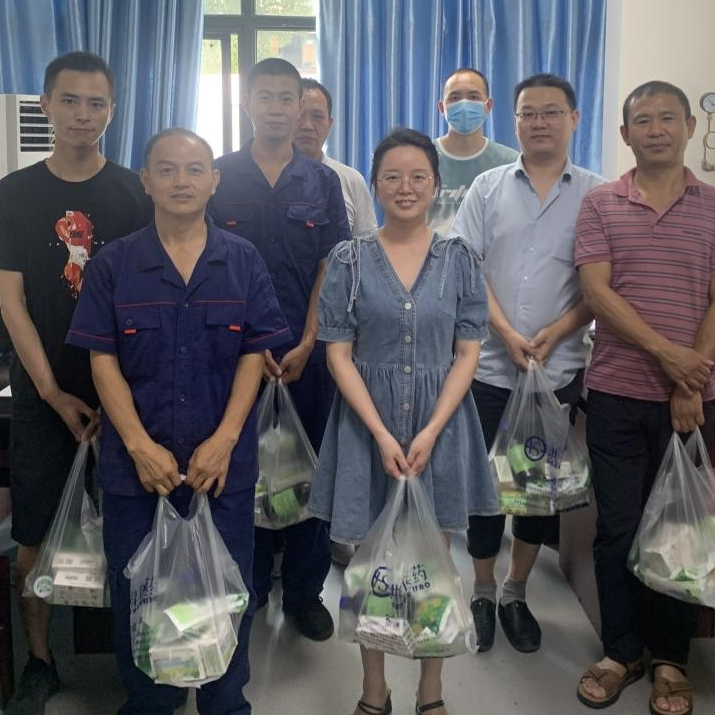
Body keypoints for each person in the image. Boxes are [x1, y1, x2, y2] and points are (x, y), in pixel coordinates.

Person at [67, 128, 291, 715]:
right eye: (166, 169)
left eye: (195, 170)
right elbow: (101, 361)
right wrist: (139, 446)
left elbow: (254, 355)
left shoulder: (241, 260)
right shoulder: (114, 264)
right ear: (146, 181)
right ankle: (149, 701)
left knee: (227, 591)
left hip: (223, 468)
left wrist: (225, 440)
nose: (181, 181)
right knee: (139, 594)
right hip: (136, 471)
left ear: (214, 181)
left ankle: (224, 702)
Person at [0, 51, 152, 715]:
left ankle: (139, 658)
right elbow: (11, 304)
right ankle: (41, 662)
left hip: (126, 396)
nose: (83, 115)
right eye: (70, 101)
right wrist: (51, 393)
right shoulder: (15, 194)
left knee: (134, 528)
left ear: (112, 111)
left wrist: (118, 399)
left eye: (96, 103)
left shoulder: (134, 192)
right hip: (42, 395)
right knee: (35, 532)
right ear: (46, 105)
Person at [309, 127, 499, 715]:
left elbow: (467, 352)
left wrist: (431, 429)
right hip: (366, 429)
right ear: (375, 184)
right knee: (372, 566)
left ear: (436, 185)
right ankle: (374, 689)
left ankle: (430, 691)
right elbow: (338, 352)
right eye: (392, 176)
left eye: (418, 176)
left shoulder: (459, 259)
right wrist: (380, 432)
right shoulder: (350, 259)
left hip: (441, 429)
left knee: (432, 565)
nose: (405, 187)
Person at [573, 81, 715, 715]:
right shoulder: (600, 204)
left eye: (667, 118)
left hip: (690, 400)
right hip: (616, 391)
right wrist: (668, 357)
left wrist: (685, 381)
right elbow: (598, 293)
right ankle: (620, 651)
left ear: (689, 128)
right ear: (625, 135)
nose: (655, 130)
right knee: (617, 527)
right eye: (642, 121)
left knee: (681, 528)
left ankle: (672, 658)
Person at [450, 73, 606, 654]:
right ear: (513, 120)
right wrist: (509, 334)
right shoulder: (487, 188)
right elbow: (466, 269)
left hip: (558, 371)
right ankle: (482, 589)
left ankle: (516, 591)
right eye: (527, 113)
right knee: (485, 490)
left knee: (536, 491)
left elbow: (602, 286)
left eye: (551, 112)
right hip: (488, 369)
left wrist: (557, 332)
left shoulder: (598, 196)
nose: (539, 122)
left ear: (574, 118)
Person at [207, 57, 351, 641]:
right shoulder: (217, 175)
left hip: (304, 355)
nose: (275, 107)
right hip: (232, 355)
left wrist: (311, 337)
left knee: (309, 470)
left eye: (285, 98)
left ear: (300, 108)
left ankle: (304, 592)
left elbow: (330, 266)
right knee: (242, 469)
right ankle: (249, 586)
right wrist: (249, 346)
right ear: (245, 103)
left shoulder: (322, 182)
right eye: (263, 96)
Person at [429, 67, 519, 234]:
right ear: (442, 107)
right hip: (430, 250)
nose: (464, 104)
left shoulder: (510, 162)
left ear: (488, 105)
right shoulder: (423, 159)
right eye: (454, 98)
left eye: (473, 97)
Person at [295, 78, 378, 235]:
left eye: (317, 116)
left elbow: (367, 244)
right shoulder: (271, 178)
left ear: (330, 123)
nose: (307, 126)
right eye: (299, 115)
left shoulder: (352, 180)